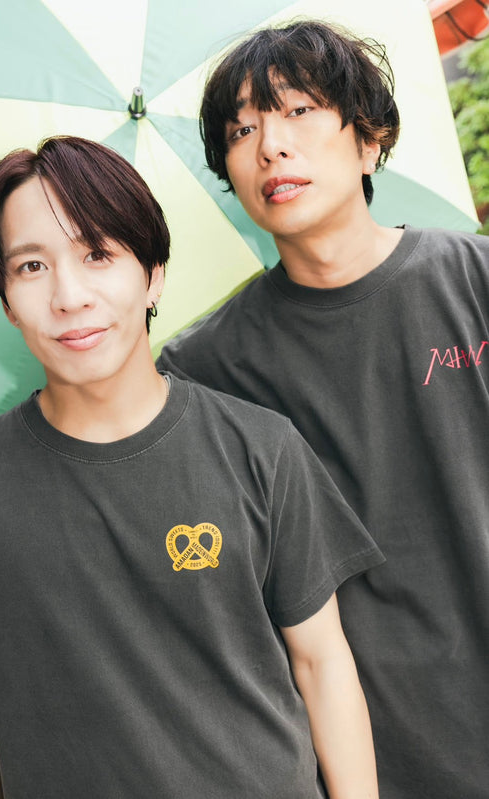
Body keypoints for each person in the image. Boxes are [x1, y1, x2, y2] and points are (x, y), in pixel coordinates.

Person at [0, 135, 383, 799]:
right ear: (6, 300)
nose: (69, 295)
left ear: (153, 273)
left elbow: (321, 661)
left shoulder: (260, 448)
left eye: (98, 254)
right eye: (31, 266)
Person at [155, 20, 489, 799]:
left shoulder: (473, 278)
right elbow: (92, 450)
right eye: (241, 131)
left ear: (370, 140)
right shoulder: (207, 365)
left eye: (298, 110)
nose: (270, 145)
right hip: (379, 752)